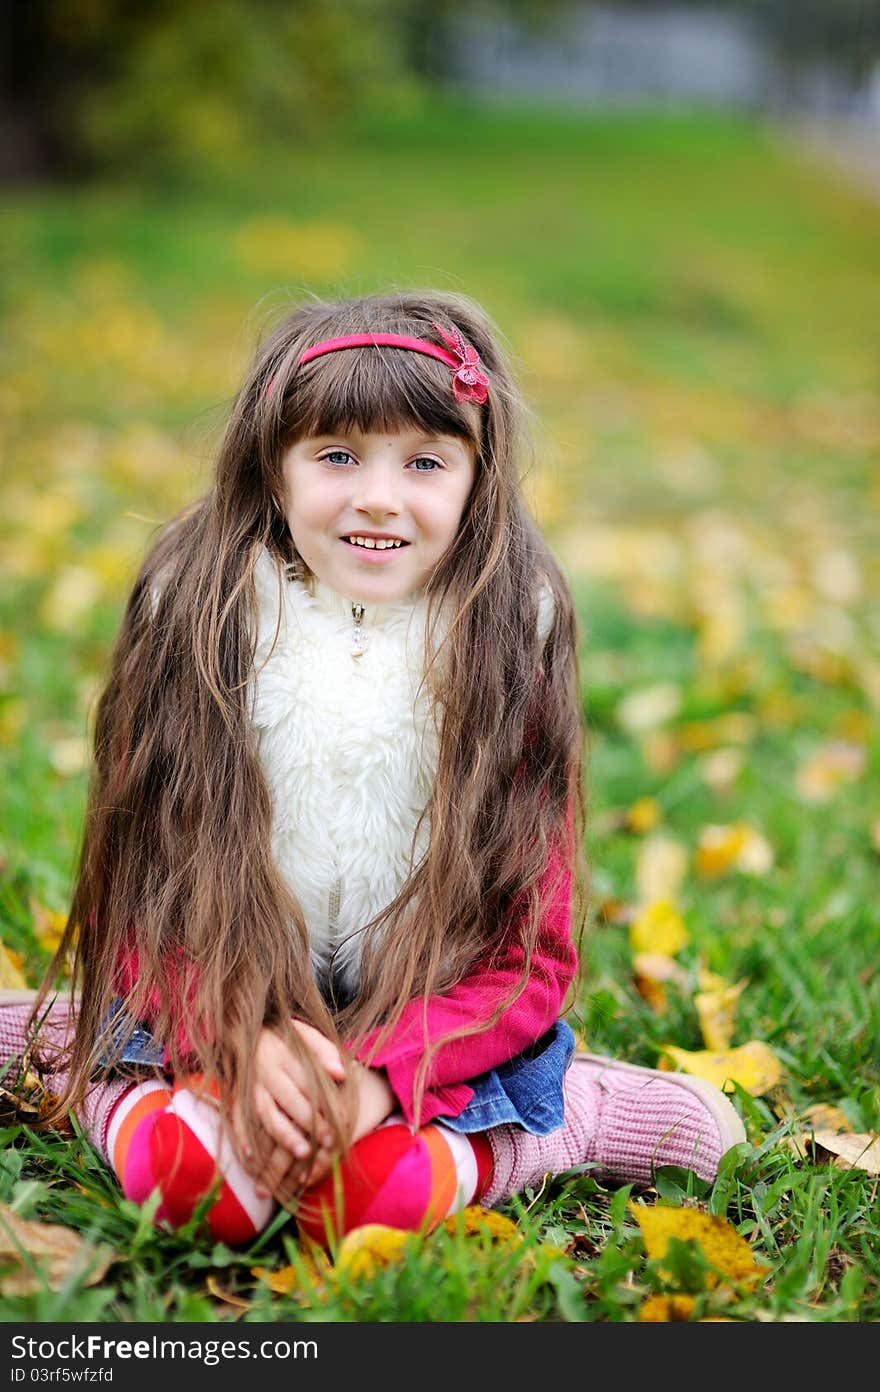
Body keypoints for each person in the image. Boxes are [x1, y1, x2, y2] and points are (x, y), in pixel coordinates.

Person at [0, 289, 746, 1249]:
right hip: (217, 995)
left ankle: (570, 1119)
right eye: (338, 455)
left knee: (370, 1201)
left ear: (479, 482)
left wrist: (381, 1079)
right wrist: (239, 1038)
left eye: (426, 462)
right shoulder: (198, 624)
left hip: (434, 1024)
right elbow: (137, 906)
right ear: (274, 470)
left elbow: (529, 954)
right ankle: (100, 1072)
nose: (379, 497)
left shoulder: (510, 639)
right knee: (201, 1191)